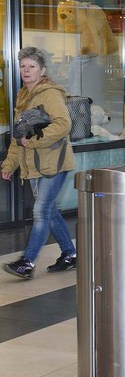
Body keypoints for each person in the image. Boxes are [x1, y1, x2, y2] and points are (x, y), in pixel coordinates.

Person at [2, 47, 77, 279]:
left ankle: (27, 261)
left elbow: (64, 125)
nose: (26, 70)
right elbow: (18, 136)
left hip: (53, 163)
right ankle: (70, 254)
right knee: (49, 211)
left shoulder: (50, 93)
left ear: (42, 70)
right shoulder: (23, 96)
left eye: (31, 66)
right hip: (34, 165)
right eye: (23, 66)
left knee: (41, 211)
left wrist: (33, 141)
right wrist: (9, 165)